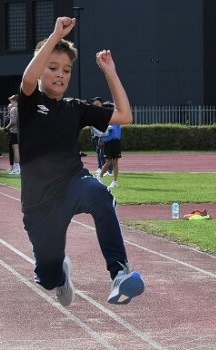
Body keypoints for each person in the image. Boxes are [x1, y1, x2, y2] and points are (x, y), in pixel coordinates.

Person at [19, 16, 144, 306]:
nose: (60, 74)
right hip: (39, 204)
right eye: (52, 68)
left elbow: (125, 116)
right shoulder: (29, 102)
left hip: (72, 183)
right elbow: (28, 79)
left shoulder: (74, 109)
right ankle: (59, 274)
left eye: (66, 69)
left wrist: (110, 73)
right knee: (48, 277)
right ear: (40, 69)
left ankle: (119, 273)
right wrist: (54, 37)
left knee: (100, 194)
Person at [97, 110, 122, 189]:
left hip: (116, 142)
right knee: (108, 162)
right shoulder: (104, 120)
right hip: (108, 142)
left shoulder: (117, 121)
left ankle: (115, 182)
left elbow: (119, 131)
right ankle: (99, 177)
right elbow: (101, 133)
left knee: (115, 162)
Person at [89, 96, 108, 176]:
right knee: (98, 151)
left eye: (97, 102)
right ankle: (100, 167)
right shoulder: (92, 111)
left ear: (101, 103)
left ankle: (105, 168)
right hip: (94, 135)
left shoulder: (104, 111)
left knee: (102, 151)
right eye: (94, 102)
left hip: (102, 135)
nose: (95, 103)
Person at [5, 94, 20, 174]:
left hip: (14, 131)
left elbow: (13, 121)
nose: (11, 101)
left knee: (15, 149)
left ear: (14, 100)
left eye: (11, 100)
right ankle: (17, 167)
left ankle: (17, 168)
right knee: (19, 149)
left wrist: (6, 128)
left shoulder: (14, 109)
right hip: (21, 132)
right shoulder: (22, 108)